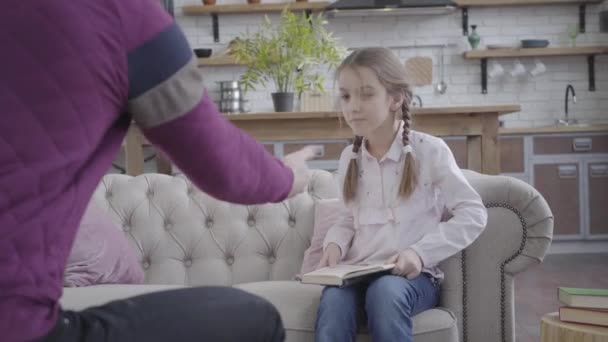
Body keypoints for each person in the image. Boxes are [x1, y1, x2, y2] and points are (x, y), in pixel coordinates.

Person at [0, 1, 317, 341]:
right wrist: (287, 176)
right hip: (18, 326)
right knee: (256, 317)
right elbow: (220, 161)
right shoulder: (123, 16)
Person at [313, 47, 488, 342]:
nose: (353, 107)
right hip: (357, 273)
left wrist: (419, 253)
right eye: (345, 96)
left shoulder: (429, 151)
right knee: (332, 301)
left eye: (366, 94)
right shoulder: (349, 158)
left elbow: (474, 213)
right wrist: (334, 246)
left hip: (413, 279)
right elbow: (346, 218)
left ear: (396, 98)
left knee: (385, 293)